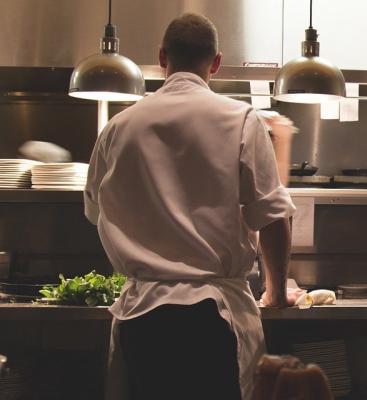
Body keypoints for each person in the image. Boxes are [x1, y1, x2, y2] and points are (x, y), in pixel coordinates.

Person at [84, 13, 297, 400]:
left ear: (162, 56)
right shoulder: (242, 120)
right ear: (215, 63)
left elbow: (96, 212)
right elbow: (272, 217)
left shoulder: (117, 127)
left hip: (141, 318)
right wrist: (277, 292)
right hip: (212, 319)